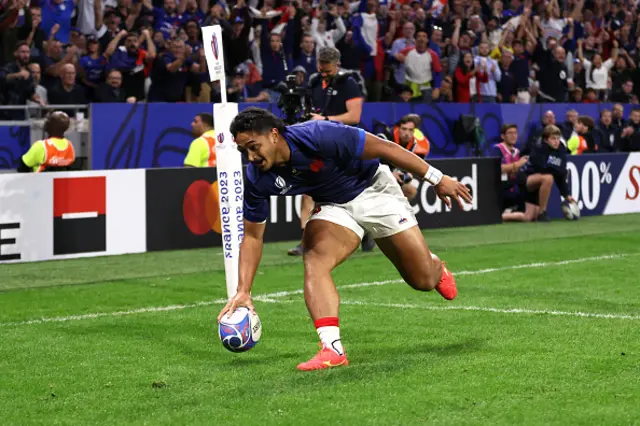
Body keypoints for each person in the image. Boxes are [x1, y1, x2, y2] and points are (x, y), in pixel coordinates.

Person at [217, 107, 472, 371]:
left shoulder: (318, 135)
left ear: (273, 135)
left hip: (373, 189)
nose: (251, 156)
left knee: (422, 280)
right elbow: (252, 237)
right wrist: (243, 291)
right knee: (314, 258)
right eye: (243, 151)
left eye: (253, 146)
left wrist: (437, 178)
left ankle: (435, 268)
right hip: (333, 205)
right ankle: (332, 348)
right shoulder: (257, 178)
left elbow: (385, 148)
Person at [288, 46, 366, 256]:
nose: (324, 74)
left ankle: (366, 231)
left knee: (350, 193)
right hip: (318, 143)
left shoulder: (349, 84)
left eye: (328, 71)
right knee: (308, 191)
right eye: (321, 70)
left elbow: (354, 116)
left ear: (337, 65)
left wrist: (325, 120)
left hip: (344, 143)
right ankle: (305, 241)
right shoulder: (314, 82)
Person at [517, 124, 576, 222]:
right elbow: (543, 168)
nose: (556, 141)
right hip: (526, 179)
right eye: (553, 138)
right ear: (545, 140)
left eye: (558, 138)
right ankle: (542, 213)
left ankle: (502, 216)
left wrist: (566, 195)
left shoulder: (561, 149)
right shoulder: (539, 148)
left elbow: (561, 173)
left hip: (538, 185)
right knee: (548, 177)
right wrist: (557, 169)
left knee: (528, 217)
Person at [489, 124, 534, 222]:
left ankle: (509, 213)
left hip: (514, 189)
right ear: (503, 136)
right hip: (500, 188)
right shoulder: (497, 149)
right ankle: (502, 215)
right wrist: (517, 164)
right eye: (510, 133)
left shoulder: (517, 151)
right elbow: (497, 168)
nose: (513, 136)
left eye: (515, 133)